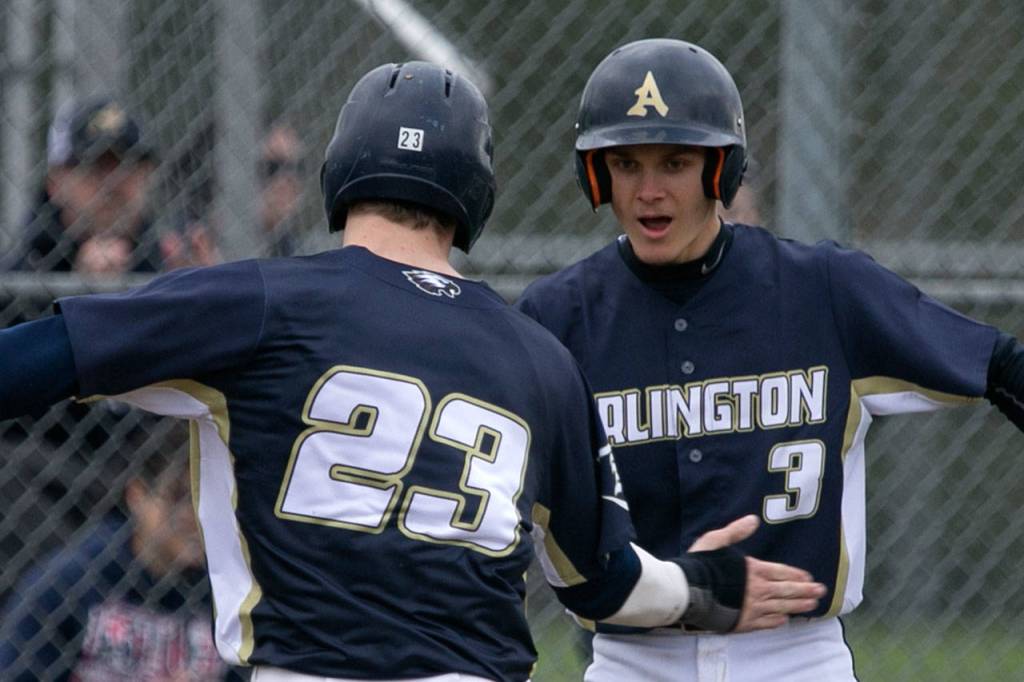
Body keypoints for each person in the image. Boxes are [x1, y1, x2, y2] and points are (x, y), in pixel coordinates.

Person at [0, 61, 825, 682]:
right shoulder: (538, 356)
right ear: (474, 192)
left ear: (340, 172)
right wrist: (705, 586)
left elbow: (36, 361)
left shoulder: (258, 300)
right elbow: (605, 585)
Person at [515, 38, 1024, 681]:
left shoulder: (823, 291)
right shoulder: (556, 319)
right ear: (597, 174)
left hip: (796, 658)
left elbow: (1000, 366)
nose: (648, 191)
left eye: (675, 162)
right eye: (625, 163)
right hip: (632, 659)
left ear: (720, 170)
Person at [0, 423, 244, 681]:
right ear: (137, 495)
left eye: (209, 501)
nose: (196, 517)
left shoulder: (228, 588)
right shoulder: (73, 580)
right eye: (178, 497)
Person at [12, 96, 163, 275]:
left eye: (126, 166)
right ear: (55, 185)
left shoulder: (169, 261)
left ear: (147, 175)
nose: (112, 183)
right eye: (93, 168)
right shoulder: (18, 279)